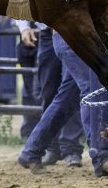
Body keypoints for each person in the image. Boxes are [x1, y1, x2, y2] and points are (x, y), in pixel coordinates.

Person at [17, 32, 108, 177]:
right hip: (74, 32)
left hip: (75, 34)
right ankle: (101, 156)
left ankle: (32, 151)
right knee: (91, 89)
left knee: (69, 96)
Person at [14, 20, 83, 166]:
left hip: (69, 29)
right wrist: (24, 27)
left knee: (67, 90)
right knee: (51, 91)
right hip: (48, 31)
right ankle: (52, 147)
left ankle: (69, 149)